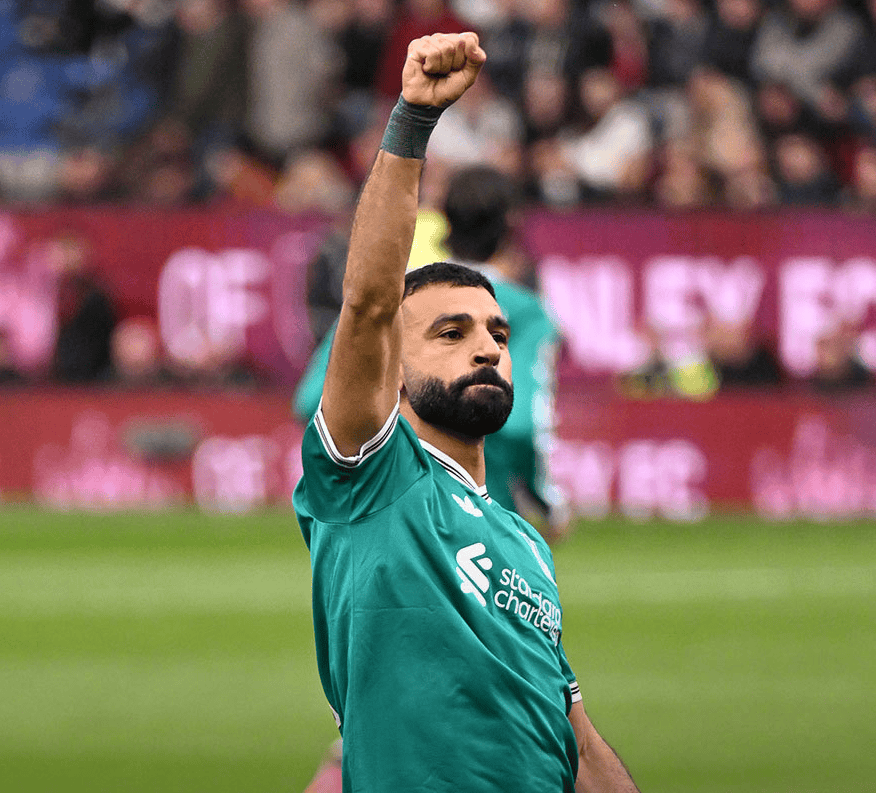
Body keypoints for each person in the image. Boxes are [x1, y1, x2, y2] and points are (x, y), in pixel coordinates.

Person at [294, 31, 640, 793]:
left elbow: (577, 740)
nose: (486, 346)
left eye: (498, 334)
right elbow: (370, 301)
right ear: (392, 366)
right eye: (450, 333)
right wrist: (413, 122)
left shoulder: (525, 543)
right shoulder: (373, 481)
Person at [293, 163, 570, 540]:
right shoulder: (522, 313)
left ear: (444, 219)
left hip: (383, 518)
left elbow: (312, 400)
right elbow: (522, 426)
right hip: (482, 524)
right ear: (513, 223)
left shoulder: (395, 297)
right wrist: (545, 500)